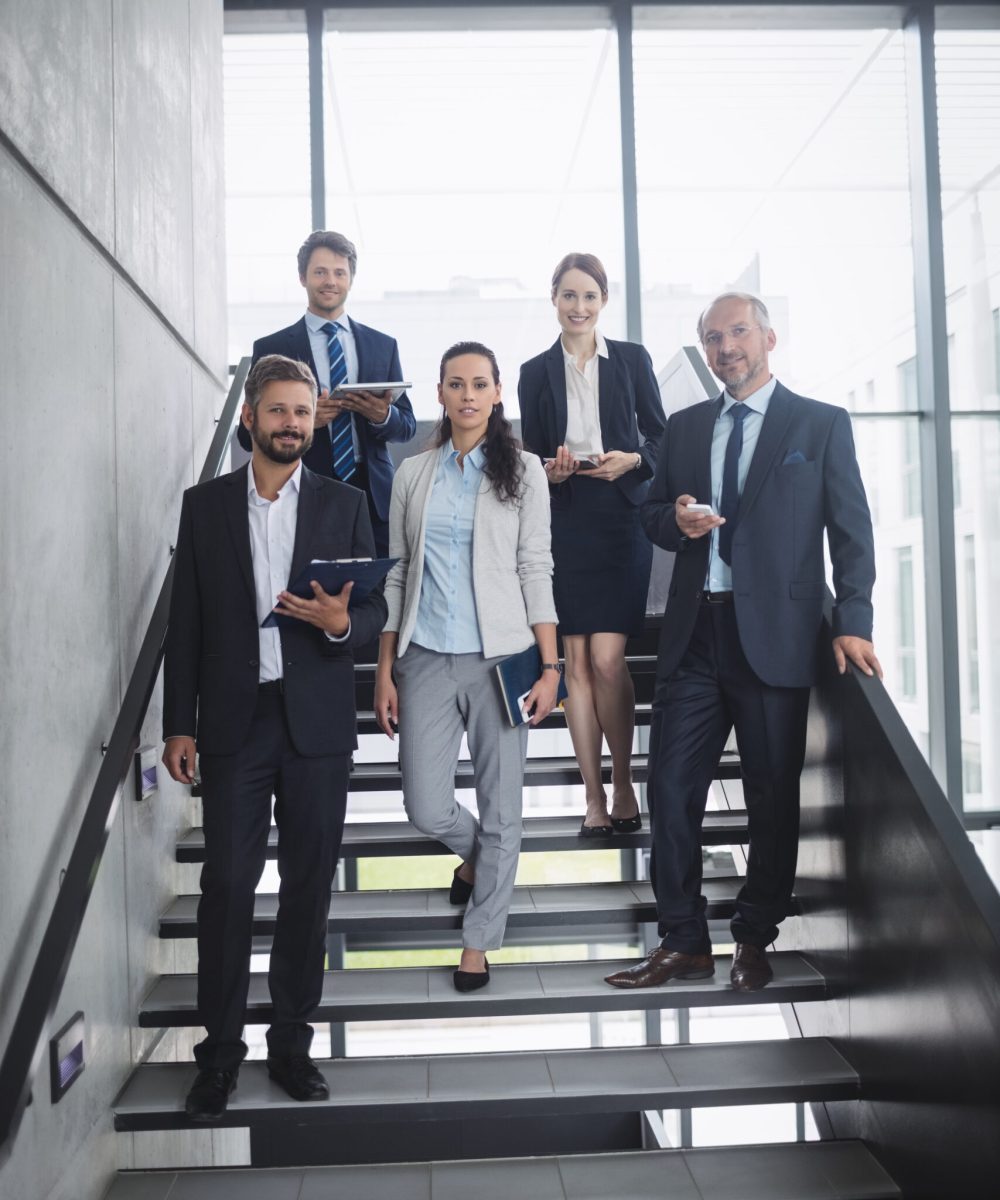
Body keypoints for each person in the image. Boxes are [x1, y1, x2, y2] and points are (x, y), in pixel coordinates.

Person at [604, 292, 880, 995]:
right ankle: (683, 940)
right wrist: (679, 520)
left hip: (777, 639)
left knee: (771, 799)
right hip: (695, 636)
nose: (725, 347)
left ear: (768, 338)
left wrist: (854, 618)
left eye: (737, 333)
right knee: (669, 791)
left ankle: (754, 936)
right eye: (712, 338)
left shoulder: (819, 425)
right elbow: (654, 516)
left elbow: (851, 530)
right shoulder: (689, 426)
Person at [162, 354, 388, 1120]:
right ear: (252, 416)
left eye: (303, 412)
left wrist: (341, 625)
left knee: (306, 889)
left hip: (318, 724)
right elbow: (184, 622)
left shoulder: (344, 502)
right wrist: (178, 724)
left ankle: (291, 1044)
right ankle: (219, 1055)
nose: (290, 423)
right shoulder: (205, 506)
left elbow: (374, 610)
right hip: (233, 722)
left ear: (313, 419)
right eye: (278, 410)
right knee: (226, 888)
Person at [374, 342, 560, 991]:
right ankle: (479, 860)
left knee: (502, 806)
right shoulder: (413, 475)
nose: (468, 395)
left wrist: (551, 666)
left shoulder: (525, 471)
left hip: (503, 659)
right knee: (425, 805)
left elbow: (536, 567)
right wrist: (384, 666)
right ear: (441, 393)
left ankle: (479, 941)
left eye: (480, 383)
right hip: (424, 656)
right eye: (456, 383)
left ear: (497, 392)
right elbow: (398, 574)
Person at [518, 253, 665, 837]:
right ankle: (594, 796)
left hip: (621, 518)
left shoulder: (631, 359)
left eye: (589, 297)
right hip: (565, 519)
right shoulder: (533, 371)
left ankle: (625, 780)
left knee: (608, 660)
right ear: (553, 298)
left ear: (603, 302)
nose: (578, 307)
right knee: (575, 664)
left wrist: (634, 460)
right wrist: (549, 473)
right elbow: (531, 455)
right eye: (568, 296)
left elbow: (661, 435)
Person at [236, 229, 416, 556]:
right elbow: (246, 436)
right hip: (302, 488)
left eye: (339, 273)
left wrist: (382, 416)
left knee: (375, 597)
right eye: (320, 272)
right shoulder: (272, 347)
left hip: (373, 496)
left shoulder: (382, 345)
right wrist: (303, 421)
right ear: (303, 277)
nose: (330, 281)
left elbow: (407, 426)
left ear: (350, 279)